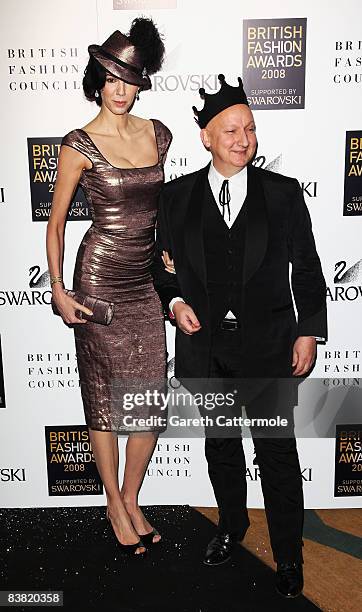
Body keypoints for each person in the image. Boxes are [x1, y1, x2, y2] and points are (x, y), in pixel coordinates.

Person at [152, 74, 327, 595]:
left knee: (276, 454)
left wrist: (309, 332)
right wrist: (175, 301)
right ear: (206, 137)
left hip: (270, 348)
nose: (242, 139)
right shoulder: (176, 197)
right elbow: (160, 268)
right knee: (221, 446)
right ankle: (231, 527)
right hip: (207, 349)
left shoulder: (283, 194)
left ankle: (289, 557)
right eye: (230, 130)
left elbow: (309, 268)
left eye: (249, 129)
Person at [46, 18, 172, 556]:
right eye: (112, 79)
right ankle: (114, 507)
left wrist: (166, 253)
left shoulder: (158, 134)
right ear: (97, 80)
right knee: (103, 399)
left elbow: (160, 208)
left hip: (143, 282)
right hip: (97, 279)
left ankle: (130, 494)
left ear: (141, 82)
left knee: (149, 400)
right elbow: (56, 225)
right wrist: (57, 287)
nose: (121, 90)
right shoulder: (79, 144)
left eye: (131, 79)